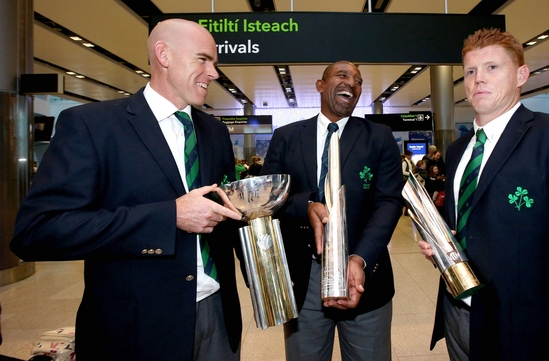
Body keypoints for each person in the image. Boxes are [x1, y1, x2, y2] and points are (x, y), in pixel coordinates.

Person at [10, 19, 244, 361]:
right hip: (136, 328)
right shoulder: (92, 126)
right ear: (163, 55)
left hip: (218, 319)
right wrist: (169, 217)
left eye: (215, 63)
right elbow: (37, 231)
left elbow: (224, 217)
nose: (214, 73)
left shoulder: (214, 133)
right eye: (203, 60)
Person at [418, 28, 549, 361]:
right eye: (471, 71)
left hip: (529, 329)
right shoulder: (459, 149)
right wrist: (446, 245)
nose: (478, 80)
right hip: (459, 313)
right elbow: (472, 223)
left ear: (521, 75)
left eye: (492, 68)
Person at [261, 60, 403, 361]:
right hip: (304, 276)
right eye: (342, 75)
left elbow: (389, 202)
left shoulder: (379, 136)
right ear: (320, 85)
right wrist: (306, 204)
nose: (351, 83)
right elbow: (269, 198)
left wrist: (360, 259)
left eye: (358, 80)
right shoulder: (286, 137)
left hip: (364, 276)